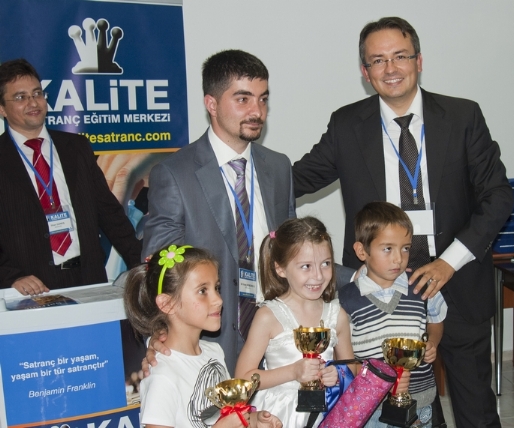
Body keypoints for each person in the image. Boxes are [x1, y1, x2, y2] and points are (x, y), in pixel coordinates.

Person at [292, 17, 513, 427]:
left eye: (400, 56)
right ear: (365, 71)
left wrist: (449, 262)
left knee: (474, 405)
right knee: (391, 409)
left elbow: (498, 196)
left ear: (418, 61)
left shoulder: (463, 116)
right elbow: (296, 179)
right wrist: (241, 167)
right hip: (377, 291)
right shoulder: (347, 124)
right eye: (377, 60)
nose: (390, 68)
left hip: (456, 279)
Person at [141, 50, 296, 373]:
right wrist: (159, 331)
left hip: (278, 339)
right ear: (211, 104)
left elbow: (292, 252)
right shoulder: (175, 174)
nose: (257, 111)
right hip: (211, 340)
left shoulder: (279, 166)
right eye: (243, 99)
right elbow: (160, 270)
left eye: (263, 99)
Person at [0, 58, 141, 294]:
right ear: (2, 109)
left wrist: (140, 261)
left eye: (37, 93)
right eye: (20, 97)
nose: (33, 102)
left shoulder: (76, 147)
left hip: (88, 277)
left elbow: (109, 212)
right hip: (32, 288)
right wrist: (12, 276)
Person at [123, 244, 282, 428]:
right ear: (167, 304)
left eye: (217, 288)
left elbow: (223, 416)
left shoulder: (214, 352)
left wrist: (253, 420)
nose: (218, 300)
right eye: (202, 291)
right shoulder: (162, 375)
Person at [235, 217, 353, 427]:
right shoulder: (268, 316)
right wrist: (293, 372)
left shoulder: (337, 315)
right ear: (280, 269)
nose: (318, 276)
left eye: (325, 264)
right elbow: (243, 378)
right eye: (306, 266)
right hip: (279, 416)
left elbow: (351, 367)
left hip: (327, 413)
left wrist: (338, 374)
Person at [339, 202, 446, 427]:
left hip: (419, 399)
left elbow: (436, 320)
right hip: (370, 405)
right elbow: (343, 354)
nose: (398, 258)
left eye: (405, 248)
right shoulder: (346, 299)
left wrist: (432, 343)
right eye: (388, 248)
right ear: (361, 251)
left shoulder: (421, 286)